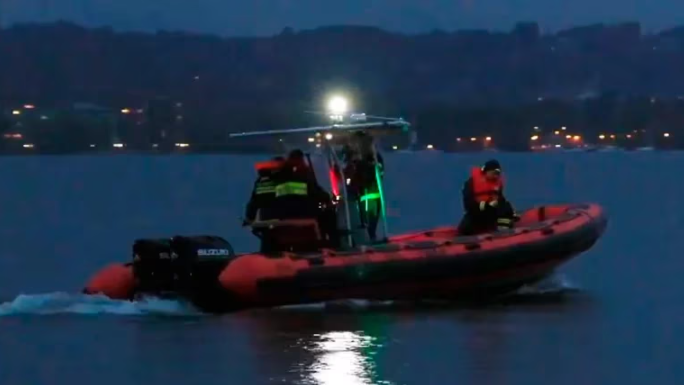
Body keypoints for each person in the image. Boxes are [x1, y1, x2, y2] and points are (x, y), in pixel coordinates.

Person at [271, 149, 338, 249]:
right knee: (329, 216)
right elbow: (322, 196)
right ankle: (333, 246)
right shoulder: (303, 181)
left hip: (283, 223)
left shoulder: (273, 185)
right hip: (304, 221)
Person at [341, 132, 384, 241]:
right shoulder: (354, 160)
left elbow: (375, 173)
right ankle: (366, 236)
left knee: (367, 220)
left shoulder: (370, 159)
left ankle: (369, 237)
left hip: (367, 194)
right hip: (360, 194)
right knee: (360, 220)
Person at [457, 159, 517, 235]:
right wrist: (485, 206)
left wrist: (510, 211)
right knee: (465, 229)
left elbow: (501, 199)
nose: (496, 176)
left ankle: (503, 231)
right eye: (494, 173)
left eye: (498, 174)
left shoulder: (497, 184)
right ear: (487, 171)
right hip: (477, 212)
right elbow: (468, 203)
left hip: (493, 211)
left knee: (506, 208)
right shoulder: (471, 183)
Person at [243, 156, 284, 253]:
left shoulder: (263, 181)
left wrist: (249, 218)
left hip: (269, 224)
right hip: (290, 224)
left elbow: (255, 202)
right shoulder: (297, 179)